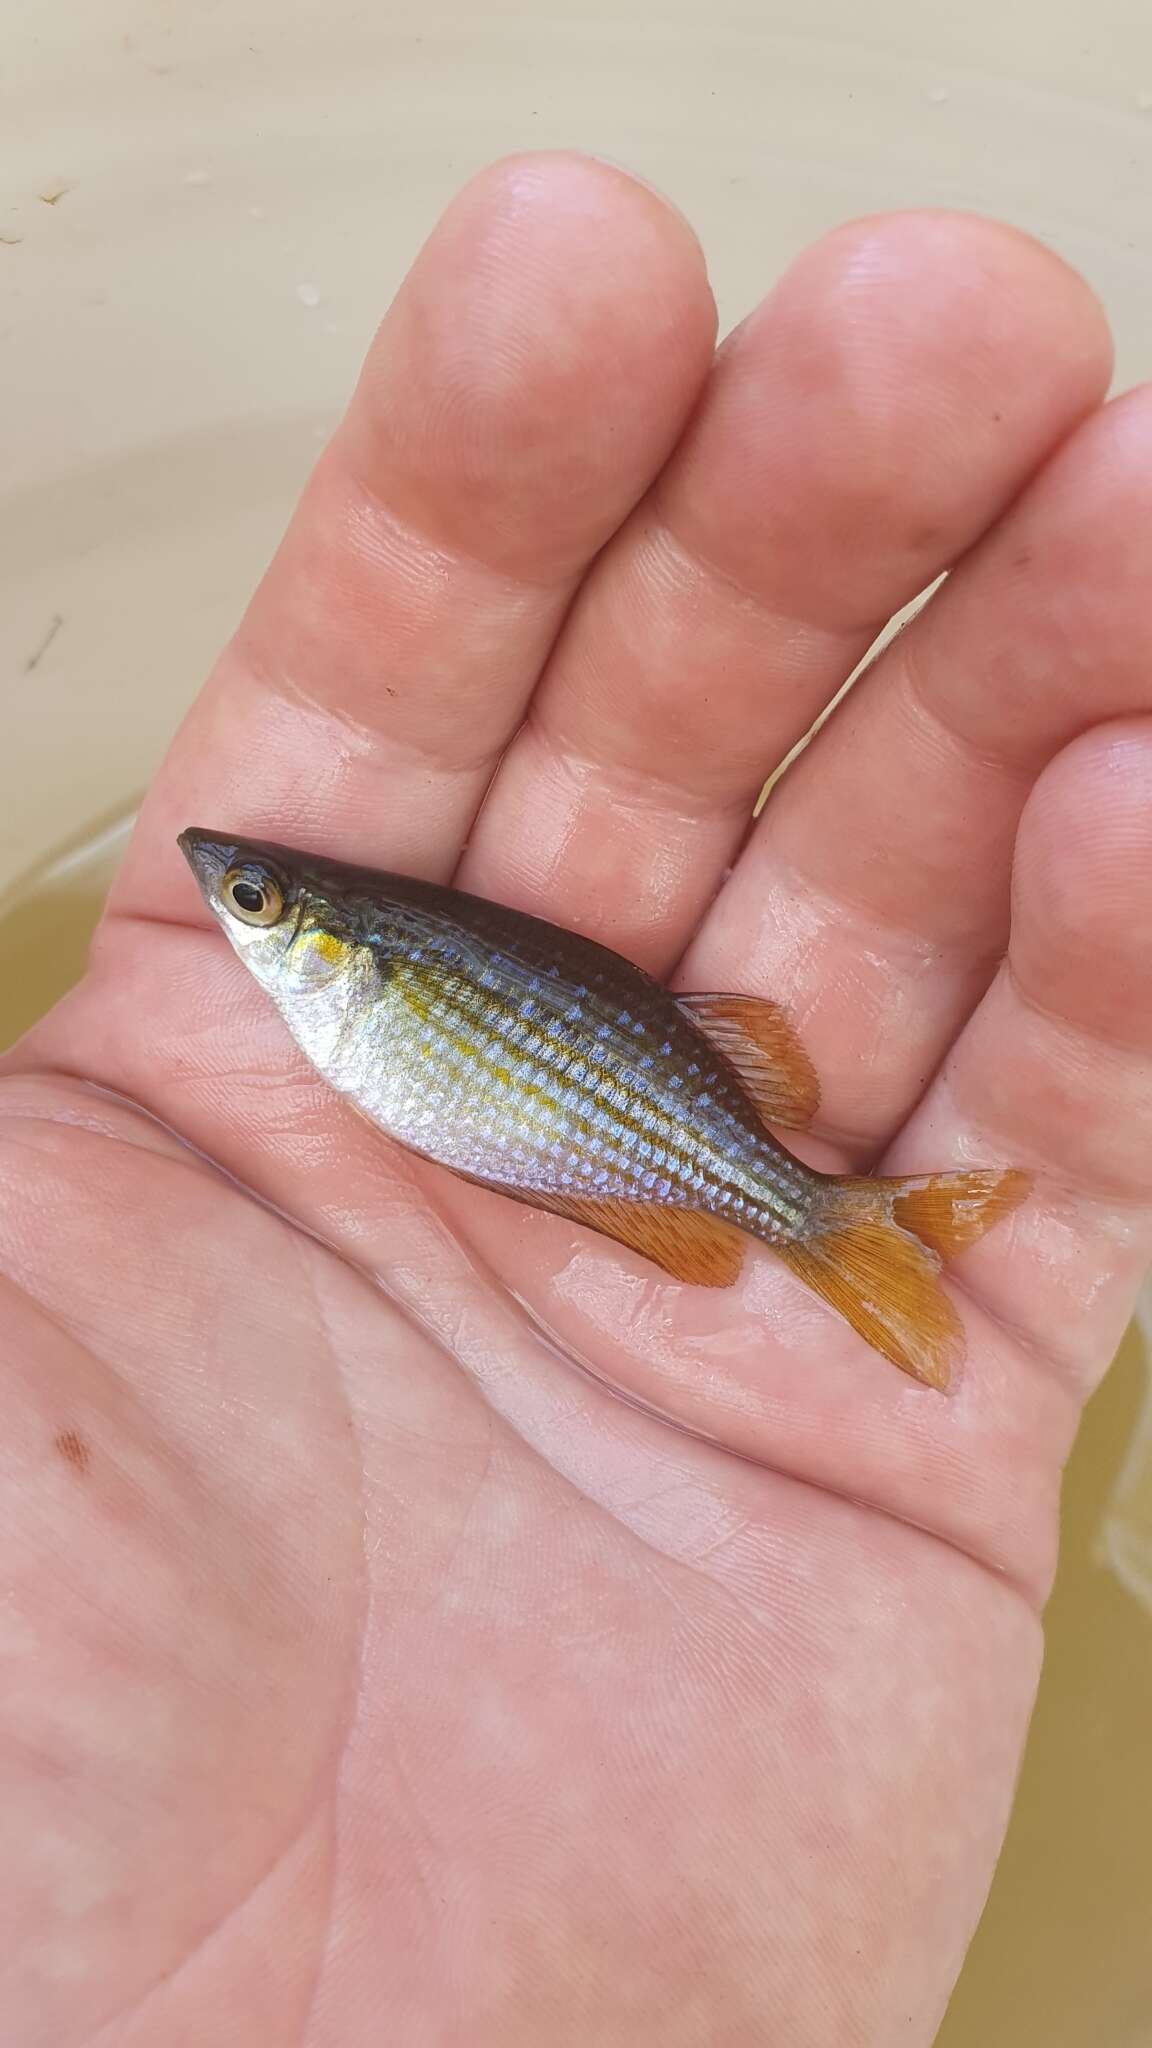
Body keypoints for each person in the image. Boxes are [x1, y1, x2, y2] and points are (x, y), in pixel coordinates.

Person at [2, 152, 1146, 2045]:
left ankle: (857, 1241)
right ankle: (854, 1243)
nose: (235, 899)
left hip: (673, 1135)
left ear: (329, 944)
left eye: (263, 902)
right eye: (258, 898)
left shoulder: (364, 989)